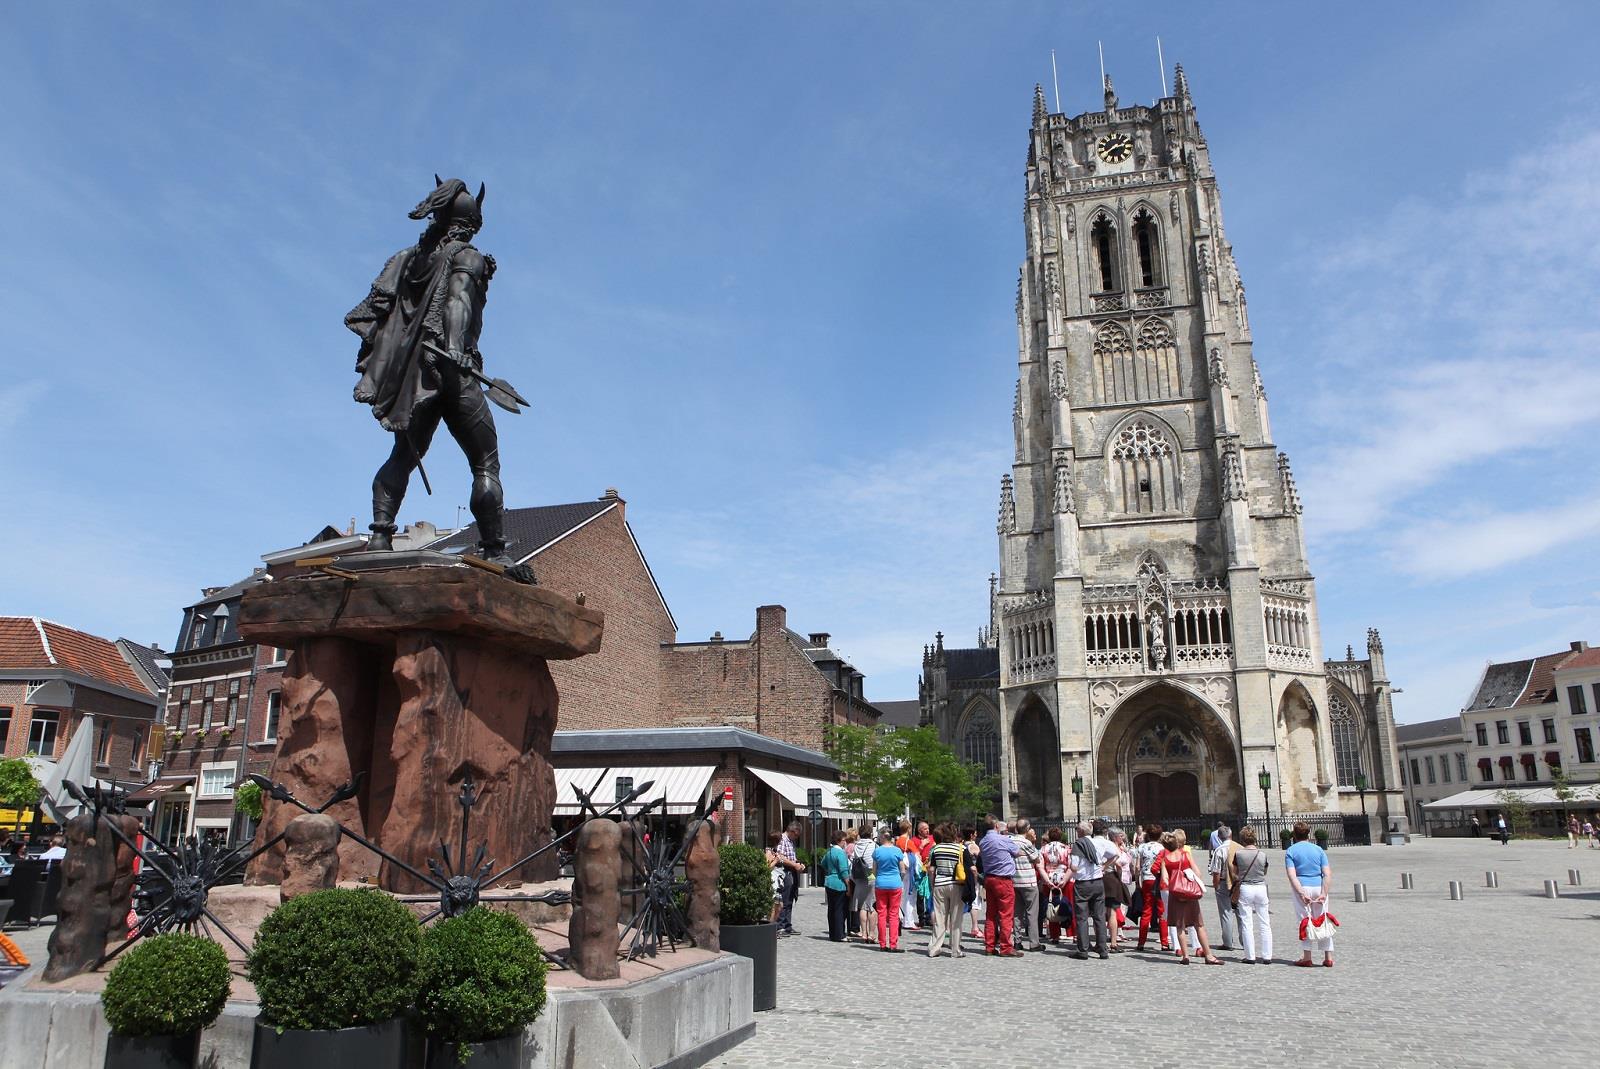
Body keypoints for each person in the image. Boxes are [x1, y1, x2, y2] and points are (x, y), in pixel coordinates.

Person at [1160, 829, 1222, 965]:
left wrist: (1176, 883)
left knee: (1179, 927)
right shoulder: (1186, 855)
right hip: (1189, 894)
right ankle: (1209, 955)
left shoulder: (1165, 859)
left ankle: (1185, 956)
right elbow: (1198, 873)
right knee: (1198, 925)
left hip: (1175, 895)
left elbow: (1165, 879)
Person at [1284, 820, 1333, 968]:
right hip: (1318, 886)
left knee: (1304, 920)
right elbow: (1327, 874)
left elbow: (1292, 875)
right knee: (1323, 919)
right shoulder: (1319, 850)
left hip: (1303, 886)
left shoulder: (1291, 851)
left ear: (1294, 834)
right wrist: (1324, 893)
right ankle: (1328, 957)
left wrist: (1301, 893)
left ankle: (1307, 957)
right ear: (1308, 833)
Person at [1066, 820, 1115, 960]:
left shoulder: (1078, 845)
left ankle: (1083, 950)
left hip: (1083, 883)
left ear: (1080, 832)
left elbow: (1074, 867)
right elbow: (1115, 854)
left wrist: (1070, 864)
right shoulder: (1099, 843)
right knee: (1099, 917)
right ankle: (1102, 949)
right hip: (1098, 882)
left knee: (1082, 917)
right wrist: (1104, 866)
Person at [978, 817, 1022, 956]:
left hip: (989, 878)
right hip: (1003, 880)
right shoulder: (1003, 839)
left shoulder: (983, 841)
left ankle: (989, 946)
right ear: (997, 825)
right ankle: (1006, 947)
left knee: (991, 914)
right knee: (1006, 914)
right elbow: (1018, 852)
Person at [1230, 825, 1272, 964]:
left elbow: (1235, 873)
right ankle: (1267, 956)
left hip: (1246, 887)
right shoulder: (1262, 854)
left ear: (1242, 839)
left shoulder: (1239, 854)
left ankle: (1250, 956)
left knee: (1247, 922)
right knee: (1265, 922)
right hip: (1260, 887)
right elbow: (1265, 872)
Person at [927, 823, 967, 958]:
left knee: (939, 918)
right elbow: (970, 868)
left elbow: (931, 870)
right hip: (956, 885)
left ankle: (934, 948)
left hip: (939, 884)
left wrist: (932, 886)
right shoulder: (961, 848)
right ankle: (955, 950)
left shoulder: (936, 849)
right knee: (956, 919)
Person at [871, 830, 909, 951]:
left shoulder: (877, 851)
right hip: (895, 884)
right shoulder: (897, 851)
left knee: (881, 913)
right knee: (893, 914)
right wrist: (899, 879)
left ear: (882, 837)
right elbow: (902, 870)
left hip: (881, 884)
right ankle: (893, 944)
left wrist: (879, 878)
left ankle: (882, 944)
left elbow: (874, 871)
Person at [1010, 819, 1043, 952]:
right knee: (1031, 913)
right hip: (1028, 881)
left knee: (1017, 913)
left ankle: (1017, 941)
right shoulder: (1027, 843)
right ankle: (1034, 942)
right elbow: (1037, 859)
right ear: (1027, 828)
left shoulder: (1010, 841)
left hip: (1014, 880)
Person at [1207, 824, 1239, 951]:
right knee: (1240, 912)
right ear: (1231, 835)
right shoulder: (1238, 848)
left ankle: (1228, 942)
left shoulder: (1219, 850)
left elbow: (1216, 872)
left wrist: (1215, 886)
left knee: (1226, 913)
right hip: (1237, 883)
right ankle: (1244, 941)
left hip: (1223, 883)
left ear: (1219, 837)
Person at [1135, 822, 1166, 950]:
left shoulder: (1142, 847)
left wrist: (1137, 882)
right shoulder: (1162, 848)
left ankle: (1141, 942)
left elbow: (1137, 867)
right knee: (1161, 911)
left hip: (1147, 879)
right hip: (1158, 879)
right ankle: (1164, 942)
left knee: (1146, 911)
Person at [1040, 827, 1071, 945]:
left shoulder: (1043, 849)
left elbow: (1040, 866)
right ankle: (1070, 932)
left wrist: (1047, 881)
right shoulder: (1066, 848)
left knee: (1051, 906)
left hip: (1049, 878)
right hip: (1063, 877)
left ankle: (1054, 935)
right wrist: (1065, 879)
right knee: (1066, 905)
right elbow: (1070, 865)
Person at [1105, 828, 1135, 951]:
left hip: (1121, 879)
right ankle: (1113, 939)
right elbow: (1117, 864)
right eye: (1120, 836)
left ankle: (1118, 933)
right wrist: (1119, 873)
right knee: (1113, 910)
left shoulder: (1119, 847)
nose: (1122, 838)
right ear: (1114, 837)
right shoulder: (1112, 847)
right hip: (1114, 879)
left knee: (1118, 909)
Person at [775, 822, 805, 935]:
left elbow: (791, 857)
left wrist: (798, 864)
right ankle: (781, 925)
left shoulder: (790, 841)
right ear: (792, 831)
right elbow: (780, 857)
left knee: (790, 899)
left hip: (791, 871)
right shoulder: (783, 839)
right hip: (784, 871)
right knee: (784, 899)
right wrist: (793, 865)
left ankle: (787, 925)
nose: (797, 837)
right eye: (797, 835)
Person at [821, 829, 852, 942]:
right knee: (840, 909)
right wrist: (848, 885)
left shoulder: (829, 851)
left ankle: (833, 933)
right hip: (839, 883)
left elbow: (823, 863)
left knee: (831, 909)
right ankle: (840, 934)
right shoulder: (841, 853)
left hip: (829, 882)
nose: (845, 842)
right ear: (840, 841)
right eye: (844, 840)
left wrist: (830, 870)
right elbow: (844, 871)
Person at [851, 824, 878, 943]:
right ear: (870, 834)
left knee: (862, 906)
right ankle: (872, 934)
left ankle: (864, 933)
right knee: (872, 905)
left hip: (859, 876)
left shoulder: (856, 846)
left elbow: (852, 859)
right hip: (871, 875)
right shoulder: (874, 845)